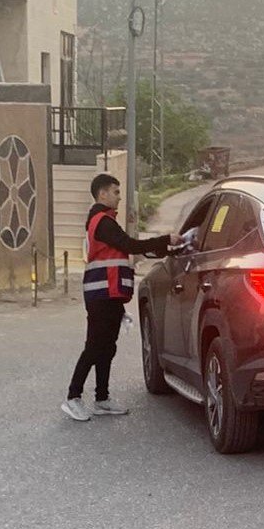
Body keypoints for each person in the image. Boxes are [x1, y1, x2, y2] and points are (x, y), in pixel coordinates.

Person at [61, 174, 177, 422]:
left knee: (107, 348)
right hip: (101, 295)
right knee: (95, 346)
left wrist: (165, 248)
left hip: (110, 294)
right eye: (115, 192)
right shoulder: (102, 222)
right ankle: (73, 397)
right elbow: (130, 245)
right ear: (102, 194)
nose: (119, 197)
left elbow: (127, 249)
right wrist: (166, 239)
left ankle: (102, 398)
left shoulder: (106, 220)